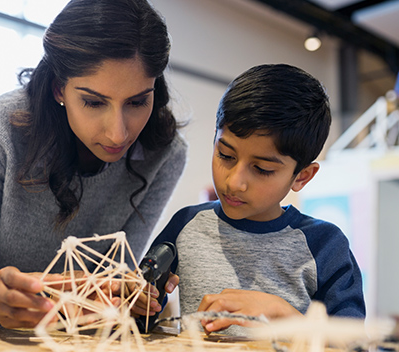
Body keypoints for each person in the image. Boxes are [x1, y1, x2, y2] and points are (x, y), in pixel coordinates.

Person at [0, 0, 187, 329]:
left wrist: (136, 297)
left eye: (138, 102)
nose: (118, 133)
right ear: (58, 88)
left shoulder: (164, 155)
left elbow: (120, 280)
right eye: (94, 102)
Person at [146, 64, 365, 336]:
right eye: (225, 155)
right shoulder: (186, 224)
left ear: (302, 176)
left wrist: (283, 313)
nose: (234, 182)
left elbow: (353, 343)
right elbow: (141, 318)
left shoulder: (325, 245)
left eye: (262, 169)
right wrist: (138, 302)